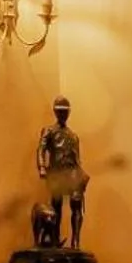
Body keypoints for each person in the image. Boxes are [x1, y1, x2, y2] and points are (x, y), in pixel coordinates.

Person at [35, 96, 90, 249]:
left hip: (72, 173)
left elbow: (77, 159)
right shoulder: (49, 131)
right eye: (60, 112)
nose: (63, 115)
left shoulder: (73, 136)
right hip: (57, 173)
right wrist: (42, 166)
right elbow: (41, 149)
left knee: (77, 204)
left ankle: (75, 241)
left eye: (65, 112)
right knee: (56, 207)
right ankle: (54, 239)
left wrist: (82, 175)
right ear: (55, 112)